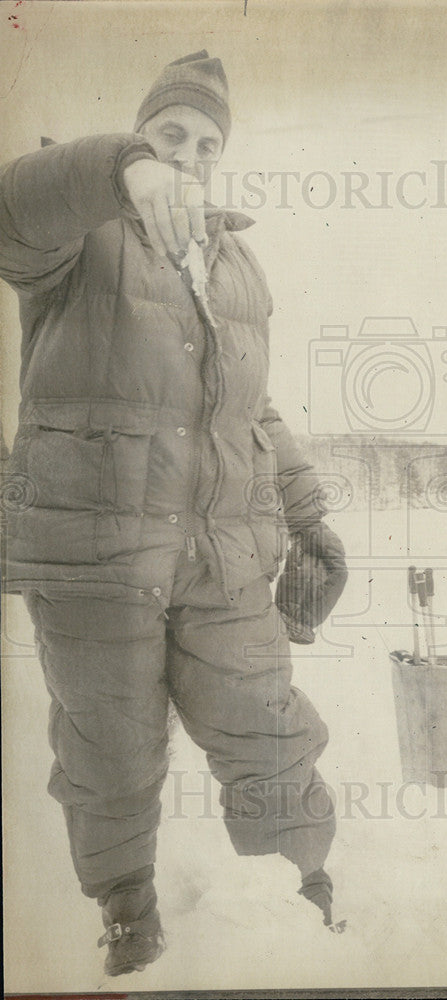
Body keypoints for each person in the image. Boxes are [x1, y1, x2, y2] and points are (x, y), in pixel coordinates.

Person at [0, 51, 348, 976]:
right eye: (169, 136)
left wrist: (309, 513)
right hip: (96, 558)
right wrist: (123, 169)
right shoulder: (76, 236)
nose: (187, 155)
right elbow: (11, 208)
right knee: (108, 744)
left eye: (204, 143)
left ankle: (301, 882)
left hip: (223, 555)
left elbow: (252, 408)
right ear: (141, 136)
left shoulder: (234, 263)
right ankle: (126, 907)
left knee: (266, 723)